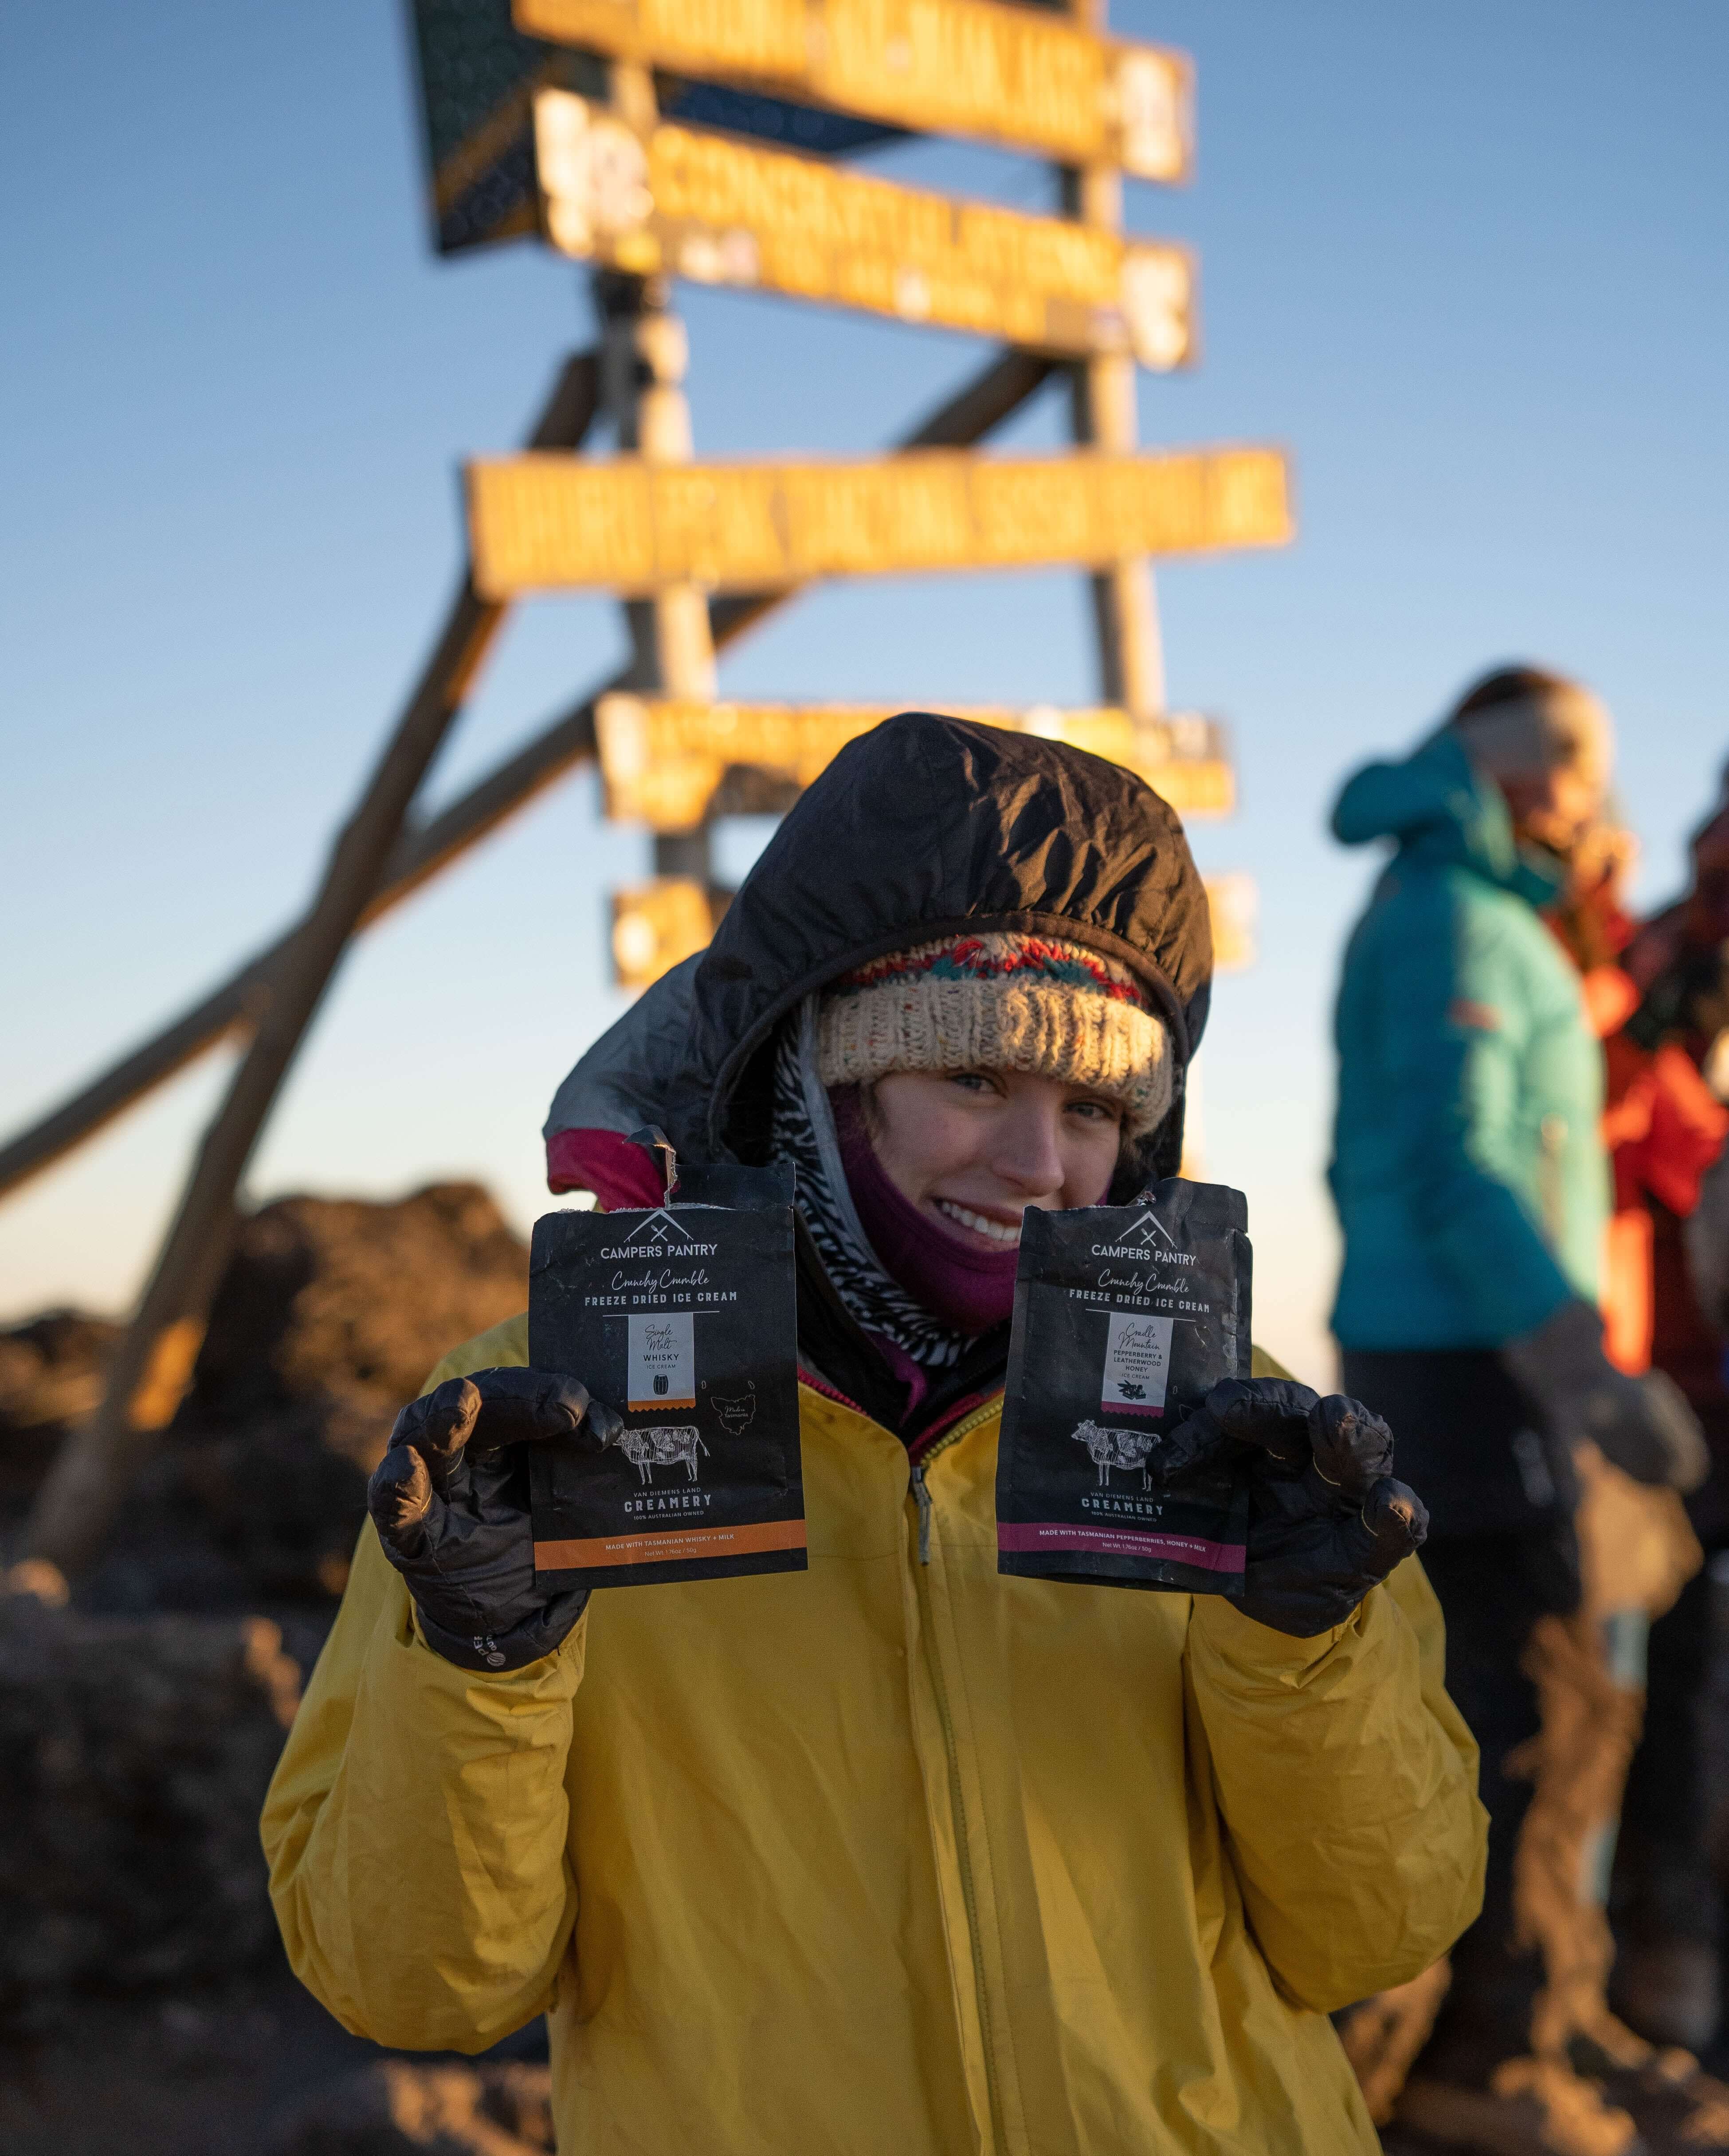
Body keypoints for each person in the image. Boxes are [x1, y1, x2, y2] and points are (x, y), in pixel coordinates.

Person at [264, 713, 1485, 2156]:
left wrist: (1299, 1654)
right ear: (817, 1079)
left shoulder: (1234, 1427)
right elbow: (411, 1983)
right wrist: (482, 1665)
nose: (1036, 1165)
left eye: (1094, 1107)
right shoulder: (538, 1412)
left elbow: (1379, 1935)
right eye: (970, 1079)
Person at [1328, 666, 1709, 2153]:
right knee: (1526, 1710)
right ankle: (1485, 2056)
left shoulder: (1493, 911)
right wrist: (1575, 1363)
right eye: (1564, 764)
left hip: (1489, 1355)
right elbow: (1452, 1160)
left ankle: (1551, 2006)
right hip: (1466, 1362)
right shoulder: (1445, 915)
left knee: (1570, 1703)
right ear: (1500, 769)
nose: (1588, 795)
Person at [1603, 776, 1729, 2050]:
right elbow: (1621, 1133)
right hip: (1671, 1392)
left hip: (1678, 1378)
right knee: (1661, 1690)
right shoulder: (1654, 966)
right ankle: (1663, 1964)